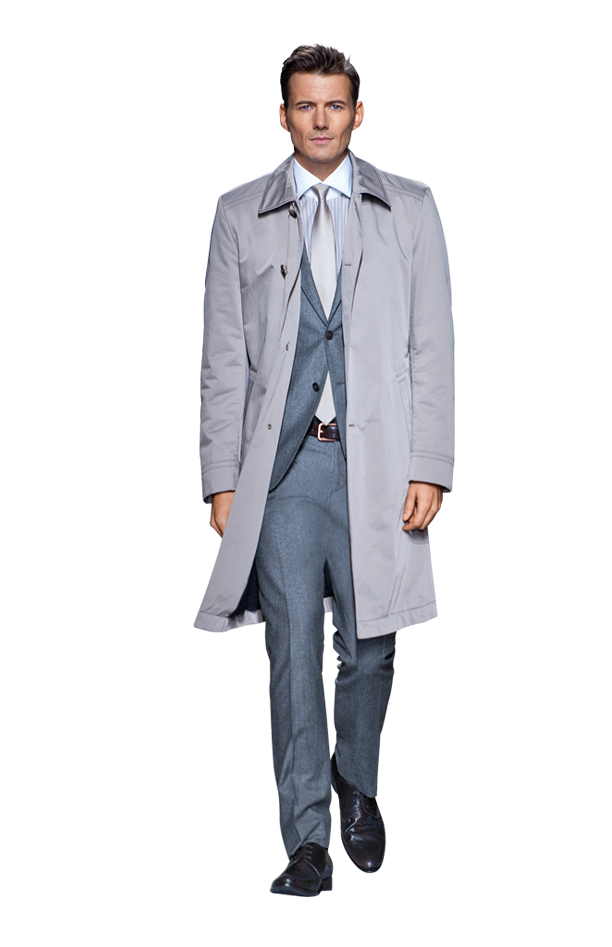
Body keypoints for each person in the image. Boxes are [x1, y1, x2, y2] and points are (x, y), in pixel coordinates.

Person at [195, 44, 454, 897]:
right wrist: (222, 476)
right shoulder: (241, 215)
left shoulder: (408, 210)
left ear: (357, 114)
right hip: (283, 471)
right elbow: (224, 358)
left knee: (373, 645)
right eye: (304, 106)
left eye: (334, 105)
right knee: (295, 652)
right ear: (283, 116)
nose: (320, 120)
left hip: (380, 463)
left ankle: (354, 784)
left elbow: (431, 346)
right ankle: (307, 837)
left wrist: (429, 464)